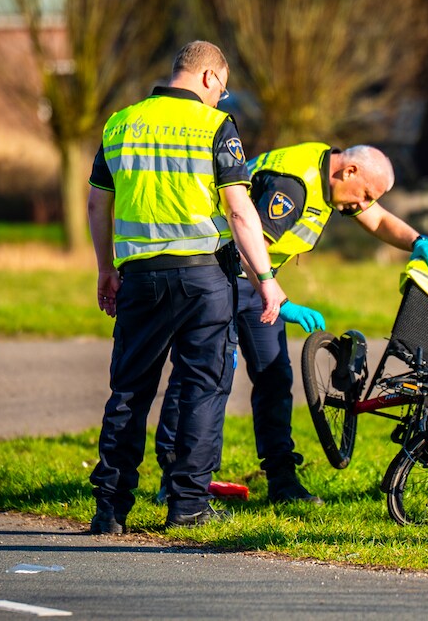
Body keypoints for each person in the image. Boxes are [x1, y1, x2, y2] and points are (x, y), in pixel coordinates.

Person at [154, 142, 428, 504]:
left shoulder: (330, 172)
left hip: (256, 283)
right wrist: (282, 300)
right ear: (350, 172)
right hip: (218, 277)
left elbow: (378, 218)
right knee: (203, 377)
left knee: (274, 376)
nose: (363, 204)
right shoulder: (293, 185)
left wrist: (417, 241)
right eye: (366, 193)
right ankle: (176, 479)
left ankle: (282, 481)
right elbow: (249, 243)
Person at [86, 41, 288, 533]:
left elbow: (96, 205)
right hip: (204, 280)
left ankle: (110, 509)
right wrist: (265, 278)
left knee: (130, 390)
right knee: (202, 388)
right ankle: (188, 504)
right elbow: (240, 211)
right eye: (222, 87)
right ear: (208, 77)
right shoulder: (215, 127)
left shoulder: (120, 123)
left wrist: (105, 268)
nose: (221, 97)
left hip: (139, 277)